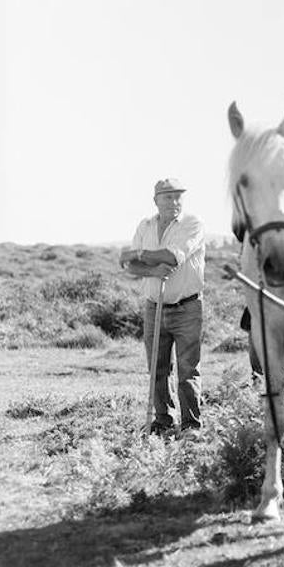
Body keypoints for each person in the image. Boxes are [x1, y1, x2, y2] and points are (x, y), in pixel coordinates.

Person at [119, 179, 206, 435]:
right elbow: (129, 267)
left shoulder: (192, 223)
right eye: (168, 197)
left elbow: (172, 257)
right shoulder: (145, 226)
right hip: (154, 306)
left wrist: (138, 254)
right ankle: (163, 422)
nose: (174, 202)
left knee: (188, 369)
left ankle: (191, 425)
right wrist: (152, 268)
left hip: (187, 307)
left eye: (178, 197)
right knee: (157, 368)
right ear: (155, 200)